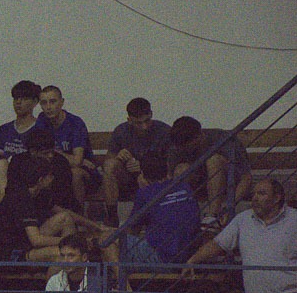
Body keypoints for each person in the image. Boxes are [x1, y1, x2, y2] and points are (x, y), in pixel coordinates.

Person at [0, 127, 78, 263]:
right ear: (41, 180)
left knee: (65, 218)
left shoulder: (38, 193)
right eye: (50, 176)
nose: (53, 178)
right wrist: (71, 242)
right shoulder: (22, 198)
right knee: (63, 254)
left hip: (25, 241)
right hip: (12, 253)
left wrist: (95, 227)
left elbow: (61, 211)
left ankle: (71, 253)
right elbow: (36, 240)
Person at [167, 116, 253, 226]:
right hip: (200, 187)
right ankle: (182, 216)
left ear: (199, 136)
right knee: (181, 169)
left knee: (214, 160)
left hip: (229, 185)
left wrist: (230, 205)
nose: (184, 150)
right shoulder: (177, 147)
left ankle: (212, 215)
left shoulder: (224, 139)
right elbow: (170, 180)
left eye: (188, 146)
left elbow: (246, 178)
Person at [115, 154, 200, 264]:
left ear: (142, 175)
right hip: (190, 255)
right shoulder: (185, 187)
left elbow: (132, 230)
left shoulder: (145, 193)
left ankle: (120, 276)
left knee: (107, 240)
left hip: (162, 257)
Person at [102, 98, 172, 227]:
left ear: (151, 114)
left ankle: (158, 217)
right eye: (138, 123)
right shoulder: (121, 131)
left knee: (147, 178)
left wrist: (144, 169)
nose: (144, 126)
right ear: (129, 120)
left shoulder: (164, 131)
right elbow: (107, 161)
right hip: (127, 178)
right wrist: (119, 157)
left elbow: (169, 164)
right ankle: (112, 217)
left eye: (147, 121)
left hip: (155, 178)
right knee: (110, 165)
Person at [36, 85, 99, 205]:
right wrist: (64, 156)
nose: (48, 107)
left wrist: (52, 152)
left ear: (62, 102)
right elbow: (38, 152)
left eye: (53, 102)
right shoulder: (41, 120)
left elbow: (76, 162)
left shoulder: (75, 123)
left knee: (74, 173)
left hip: (87, 173)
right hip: (56, 169)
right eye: (44, 103)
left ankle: (78, 213)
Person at [0, 80, 41, 158]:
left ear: (35, 102)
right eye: (16, 98)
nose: (18, 102)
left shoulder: (41, 129)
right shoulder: (3, 130)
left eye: (24, 98)